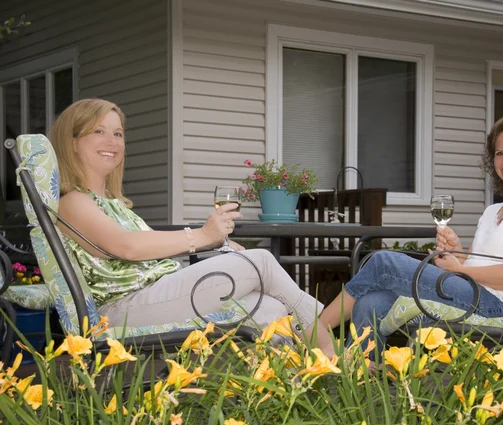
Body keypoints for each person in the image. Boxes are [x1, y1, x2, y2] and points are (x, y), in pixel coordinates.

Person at [51, 98, 322, 334]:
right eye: (99, 131)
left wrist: (211, 242)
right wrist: (201, 235)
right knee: (260, 261)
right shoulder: (73, 202)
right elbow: (127, 247)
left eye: (118, 134)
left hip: (153, 296)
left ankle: (289, 380)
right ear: (72, 142)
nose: (112, 142)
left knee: (268, 307)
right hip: (120, 311)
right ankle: (336, 346)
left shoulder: (115, 205)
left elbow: (146, 249)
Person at [308, 115, 503, 357]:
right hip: (474, 290)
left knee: (382, 262)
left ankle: (318, 329)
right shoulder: (493, 211)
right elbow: (480, 264)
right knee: (370, 302)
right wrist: (459, 254)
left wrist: (460, 271)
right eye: (499, 153)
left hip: (500, 304)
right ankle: (364, 377)